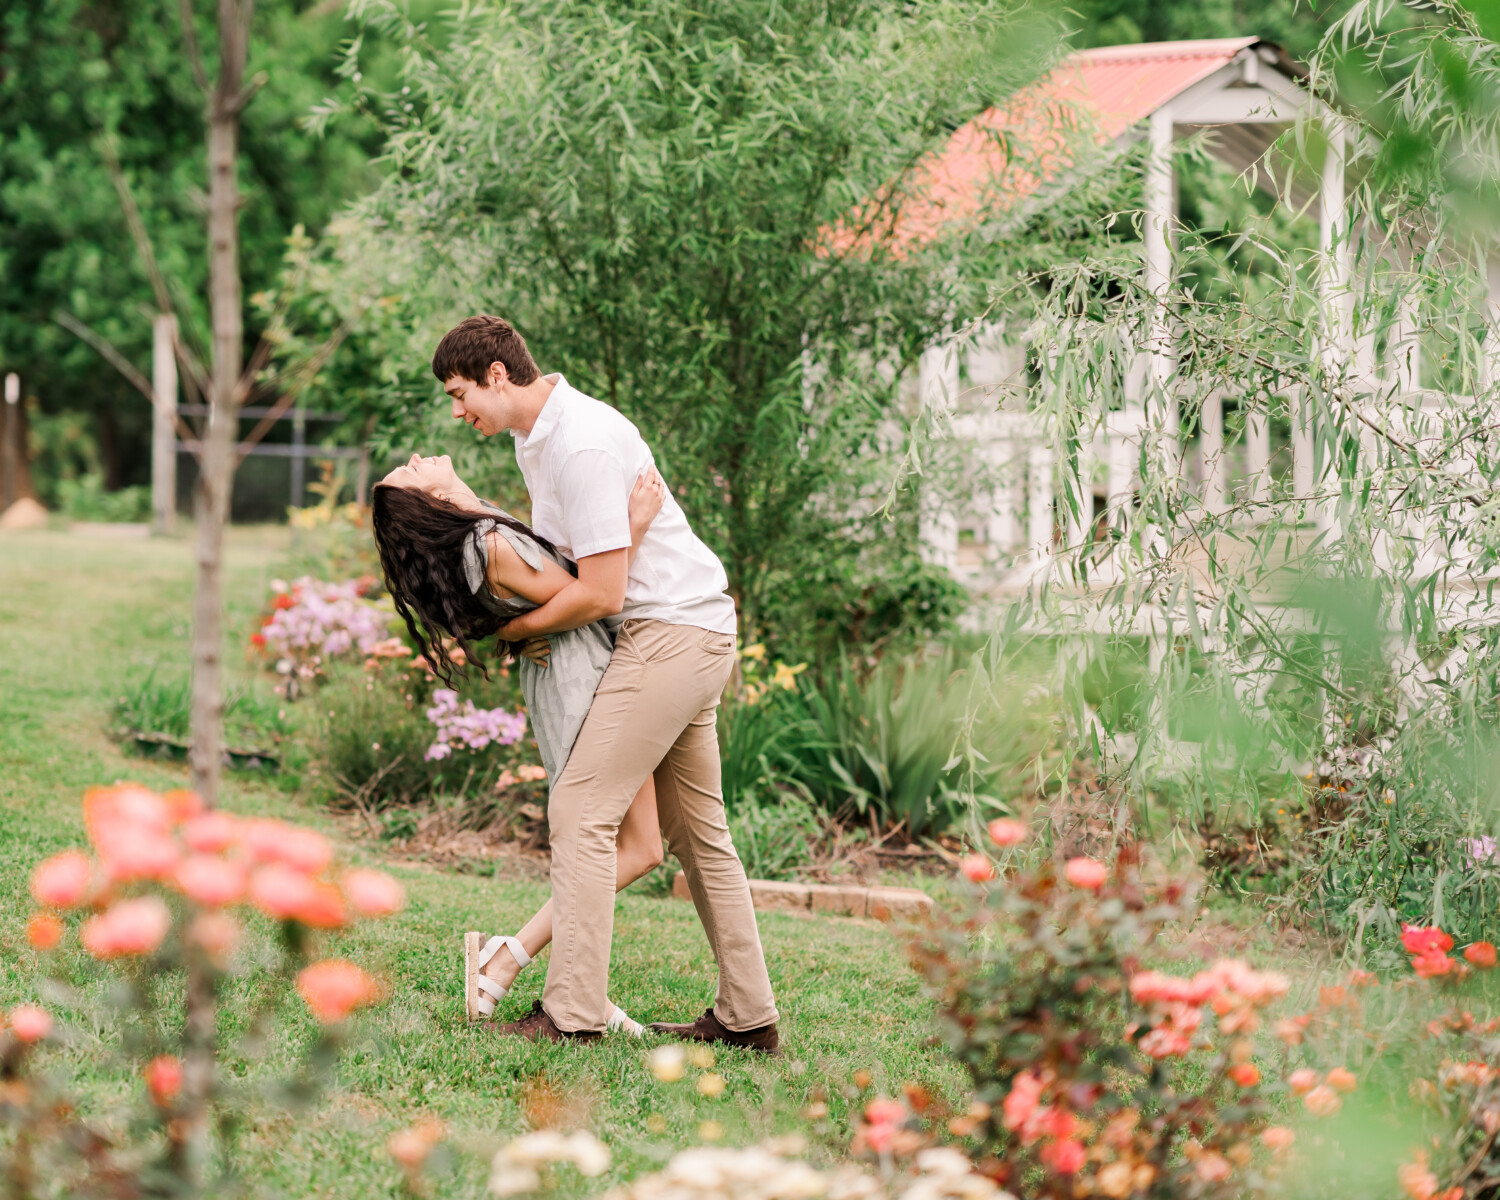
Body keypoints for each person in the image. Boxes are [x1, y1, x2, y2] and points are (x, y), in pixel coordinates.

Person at [429, 313, 780, 1051]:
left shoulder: (581, 442)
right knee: (698, 835)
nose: (459, 414)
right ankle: (749, 1019)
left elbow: (601, 594)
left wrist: (502, 635)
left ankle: (570, 1017)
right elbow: (562, 561)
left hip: (668, 634)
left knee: (583, 811)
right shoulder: (539, 440)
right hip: (692, 628)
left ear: (498, 374)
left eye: (462, 395)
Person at [372, 452, 666, 1034]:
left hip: (579, 672)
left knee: (641, 848)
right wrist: (633, 526)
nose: (411, 459)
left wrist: (510, 630)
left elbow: (540, 603)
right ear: (426, 502)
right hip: (582, 682)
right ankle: (527, 968)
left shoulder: (480, 535)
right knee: (632, 848)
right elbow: (588, 593)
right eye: (405, 474)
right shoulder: (488, 543)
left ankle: (545, 972)